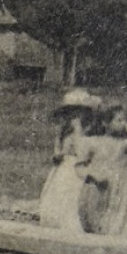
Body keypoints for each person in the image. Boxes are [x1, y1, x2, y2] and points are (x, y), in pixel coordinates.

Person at [78, 103, 127, 239]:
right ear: (106, 122)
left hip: (121, 187)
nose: (123, 123)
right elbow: (79, 167)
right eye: (119, 120)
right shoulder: (93, 142)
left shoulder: (124, 143)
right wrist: (91, 175)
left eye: (125, 120)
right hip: (100, 184)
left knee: (119, 221)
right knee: (98, 219)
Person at [38, 89, 99, 233]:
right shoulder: (63, 131)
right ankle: (53, 223)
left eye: (79, 112)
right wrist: (57, 154)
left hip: (77, 167)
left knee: (74, 197)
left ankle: (73, 226)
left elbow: (82, 150)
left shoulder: (85, 131)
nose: (74, 116)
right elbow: (58, 148)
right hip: (63, 167)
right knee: (58, 193)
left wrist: (78, 130)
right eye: (71, 112)